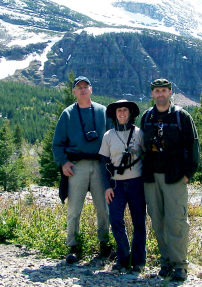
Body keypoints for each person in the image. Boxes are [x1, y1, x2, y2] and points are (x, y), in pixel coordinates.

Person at [141, 79, 200, 282]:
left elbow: (193, 146)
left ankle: (180, 265)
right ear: (152, 94)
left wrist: (187, 175)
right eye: (157, 91)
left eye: (164, 91)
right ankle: (165, 263)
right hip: (151, 177)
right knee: (157, 221)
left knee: (176, 222)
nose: (160, 94)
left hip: (175, 177)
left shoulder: (181, 116)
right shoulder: (146, 116)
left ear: (170, 92)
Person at [52, 76, 112, 263]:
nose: (83, 90)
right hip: (76, 166)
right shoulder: (68, 114)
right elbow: (57, 144)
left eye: (86, 86)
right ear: (74, 92)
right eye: (79, 87)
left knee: (103, 208)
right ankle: (73, 246)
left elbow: (113, 139)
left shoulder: (103, 112)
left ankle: (104, 244)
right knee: (74, 208)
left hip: (100, 165)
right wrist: (63, 162)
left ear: (91, 89)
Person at [99, 100, 146, 272]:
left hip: (137, 183)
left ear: (130, 113)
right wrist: (106, 187)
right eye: (119, 110)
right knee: (116, 220)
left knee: (139, 222)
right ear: (115, 114)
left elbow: (147, 156)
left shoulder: (139, 133)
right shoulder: (108, 136)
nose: (122, 113)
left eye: (125, 110)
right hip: (116, 185)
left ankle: (139, 260)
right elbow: (103, 163)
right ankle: (123, 256)